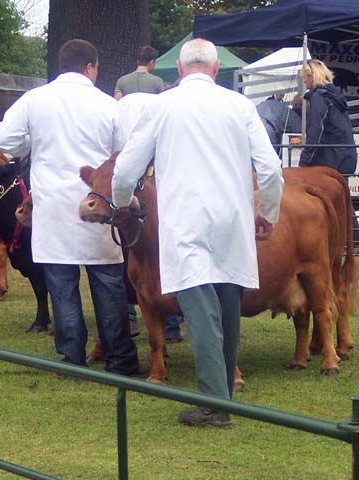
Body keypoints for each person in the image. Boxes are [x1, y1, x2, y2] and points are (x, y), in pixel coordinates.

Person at [112, 39, 283, 426]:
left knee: (202, 312)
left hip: (185, 222)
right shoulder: (240, 106)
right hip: (232, 221)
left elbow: (124, 171)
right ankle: (223, 401)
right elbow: (271, 169)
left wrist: (123, 202)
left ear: (181, 69)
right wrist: (267, 213)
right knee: (226, 309)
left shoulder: (162, 105)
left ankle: (214, 406)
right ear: (217, 67)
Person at [0, 39, 141, 376]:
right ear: (91, 67)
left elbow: (4, 141)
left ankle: (72, 359)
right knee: (107, 283)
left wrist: (32, 142)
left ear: (62, 65)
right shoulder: (109, 105)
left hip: (53, 205)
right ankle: (120, 359)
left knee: (61, 285)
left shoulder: (34, 100)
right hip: (97, 204)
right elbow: (127, 153)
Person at [116, 92, 183, 343]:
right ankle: (172, 326)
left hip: (141, 194)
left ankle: (132, 317)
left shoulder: (125, 107)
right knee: (166, 261)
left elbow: (124, 163)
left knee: (136, 261)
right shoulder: (164, 107)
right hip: (168, 196)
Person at [298, 59, 359, 252]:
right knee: (340, 198)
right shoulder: (335, 96)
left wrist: (305, 160)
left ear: (311, 76)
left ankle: (349, 241)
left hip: (332, 156)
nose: (305, 82)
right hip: (346, 153)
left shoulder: (319, 97)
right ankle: (353, 240)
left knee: (329, 197)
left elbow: (315, 130)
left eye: (305, 78)